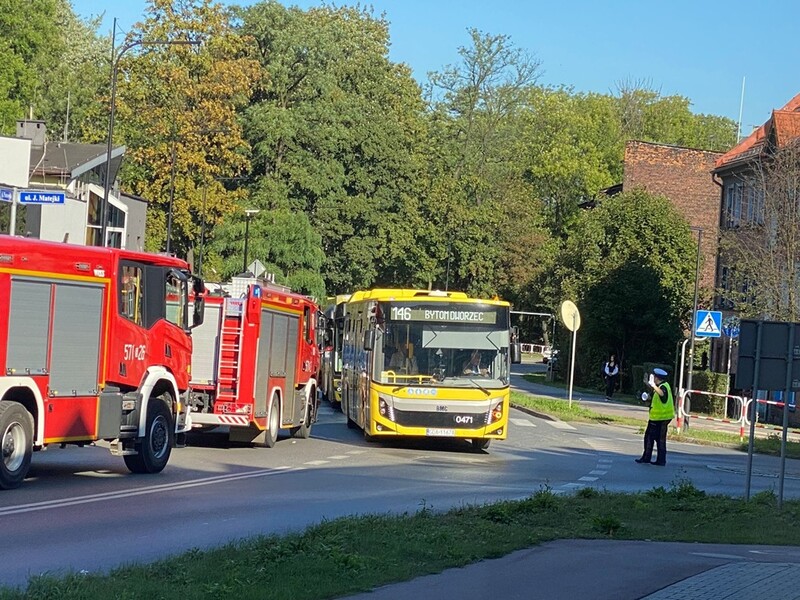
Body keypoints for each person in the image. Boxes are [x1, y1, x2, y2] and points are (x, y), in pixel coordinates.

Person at [635, 367, 675, 466]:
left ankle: (649, 458)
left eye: (654, 378)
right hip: (660, 418)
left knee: (651, 438)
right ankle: (657, 459)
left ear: (657, 378)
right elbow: (657, 397)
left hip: (660, 418)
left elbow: (662, 394)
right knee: (656, 438)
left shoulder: (663, 387)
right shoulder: (662, 386)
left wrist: (653, 385)